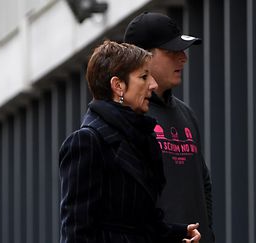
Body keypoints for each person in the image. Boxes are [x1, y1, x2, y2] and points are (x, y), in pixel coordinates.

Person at [59, 40, 201, 243]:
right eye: (144, 77)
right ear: (118, 86)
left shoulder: (139, 136)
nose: (153, 84)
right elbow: (75, 232)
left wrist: (178, 233)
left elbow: (140, 221)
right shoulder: (87, 142)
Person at [124, 12, 215, 243]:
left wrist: (209, 233)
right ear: (142, 57)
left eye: (182, 50)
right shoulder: (125, 117)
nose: (183, 58)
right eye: (172, 52)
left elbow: (202, 184)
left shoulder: (186, 114)